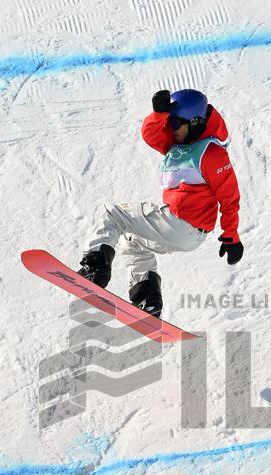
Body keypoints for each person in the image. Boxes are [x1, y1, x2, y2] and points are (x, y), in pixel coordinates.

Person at [76, 88, 243, 318]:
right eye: (170, 123)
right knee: (131, 242)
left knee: (113, 213)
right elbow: (150, 134)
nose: (171, 128)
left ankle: (94, 268)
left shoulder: (211, 153)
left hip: (181, 223)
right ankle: (147, 298)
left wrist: (231, 234)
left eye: (177, 123)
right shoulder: (175, 145)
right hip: (185, 232)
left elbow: (229, 196)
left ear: (195, 122)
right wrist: (159, 114)